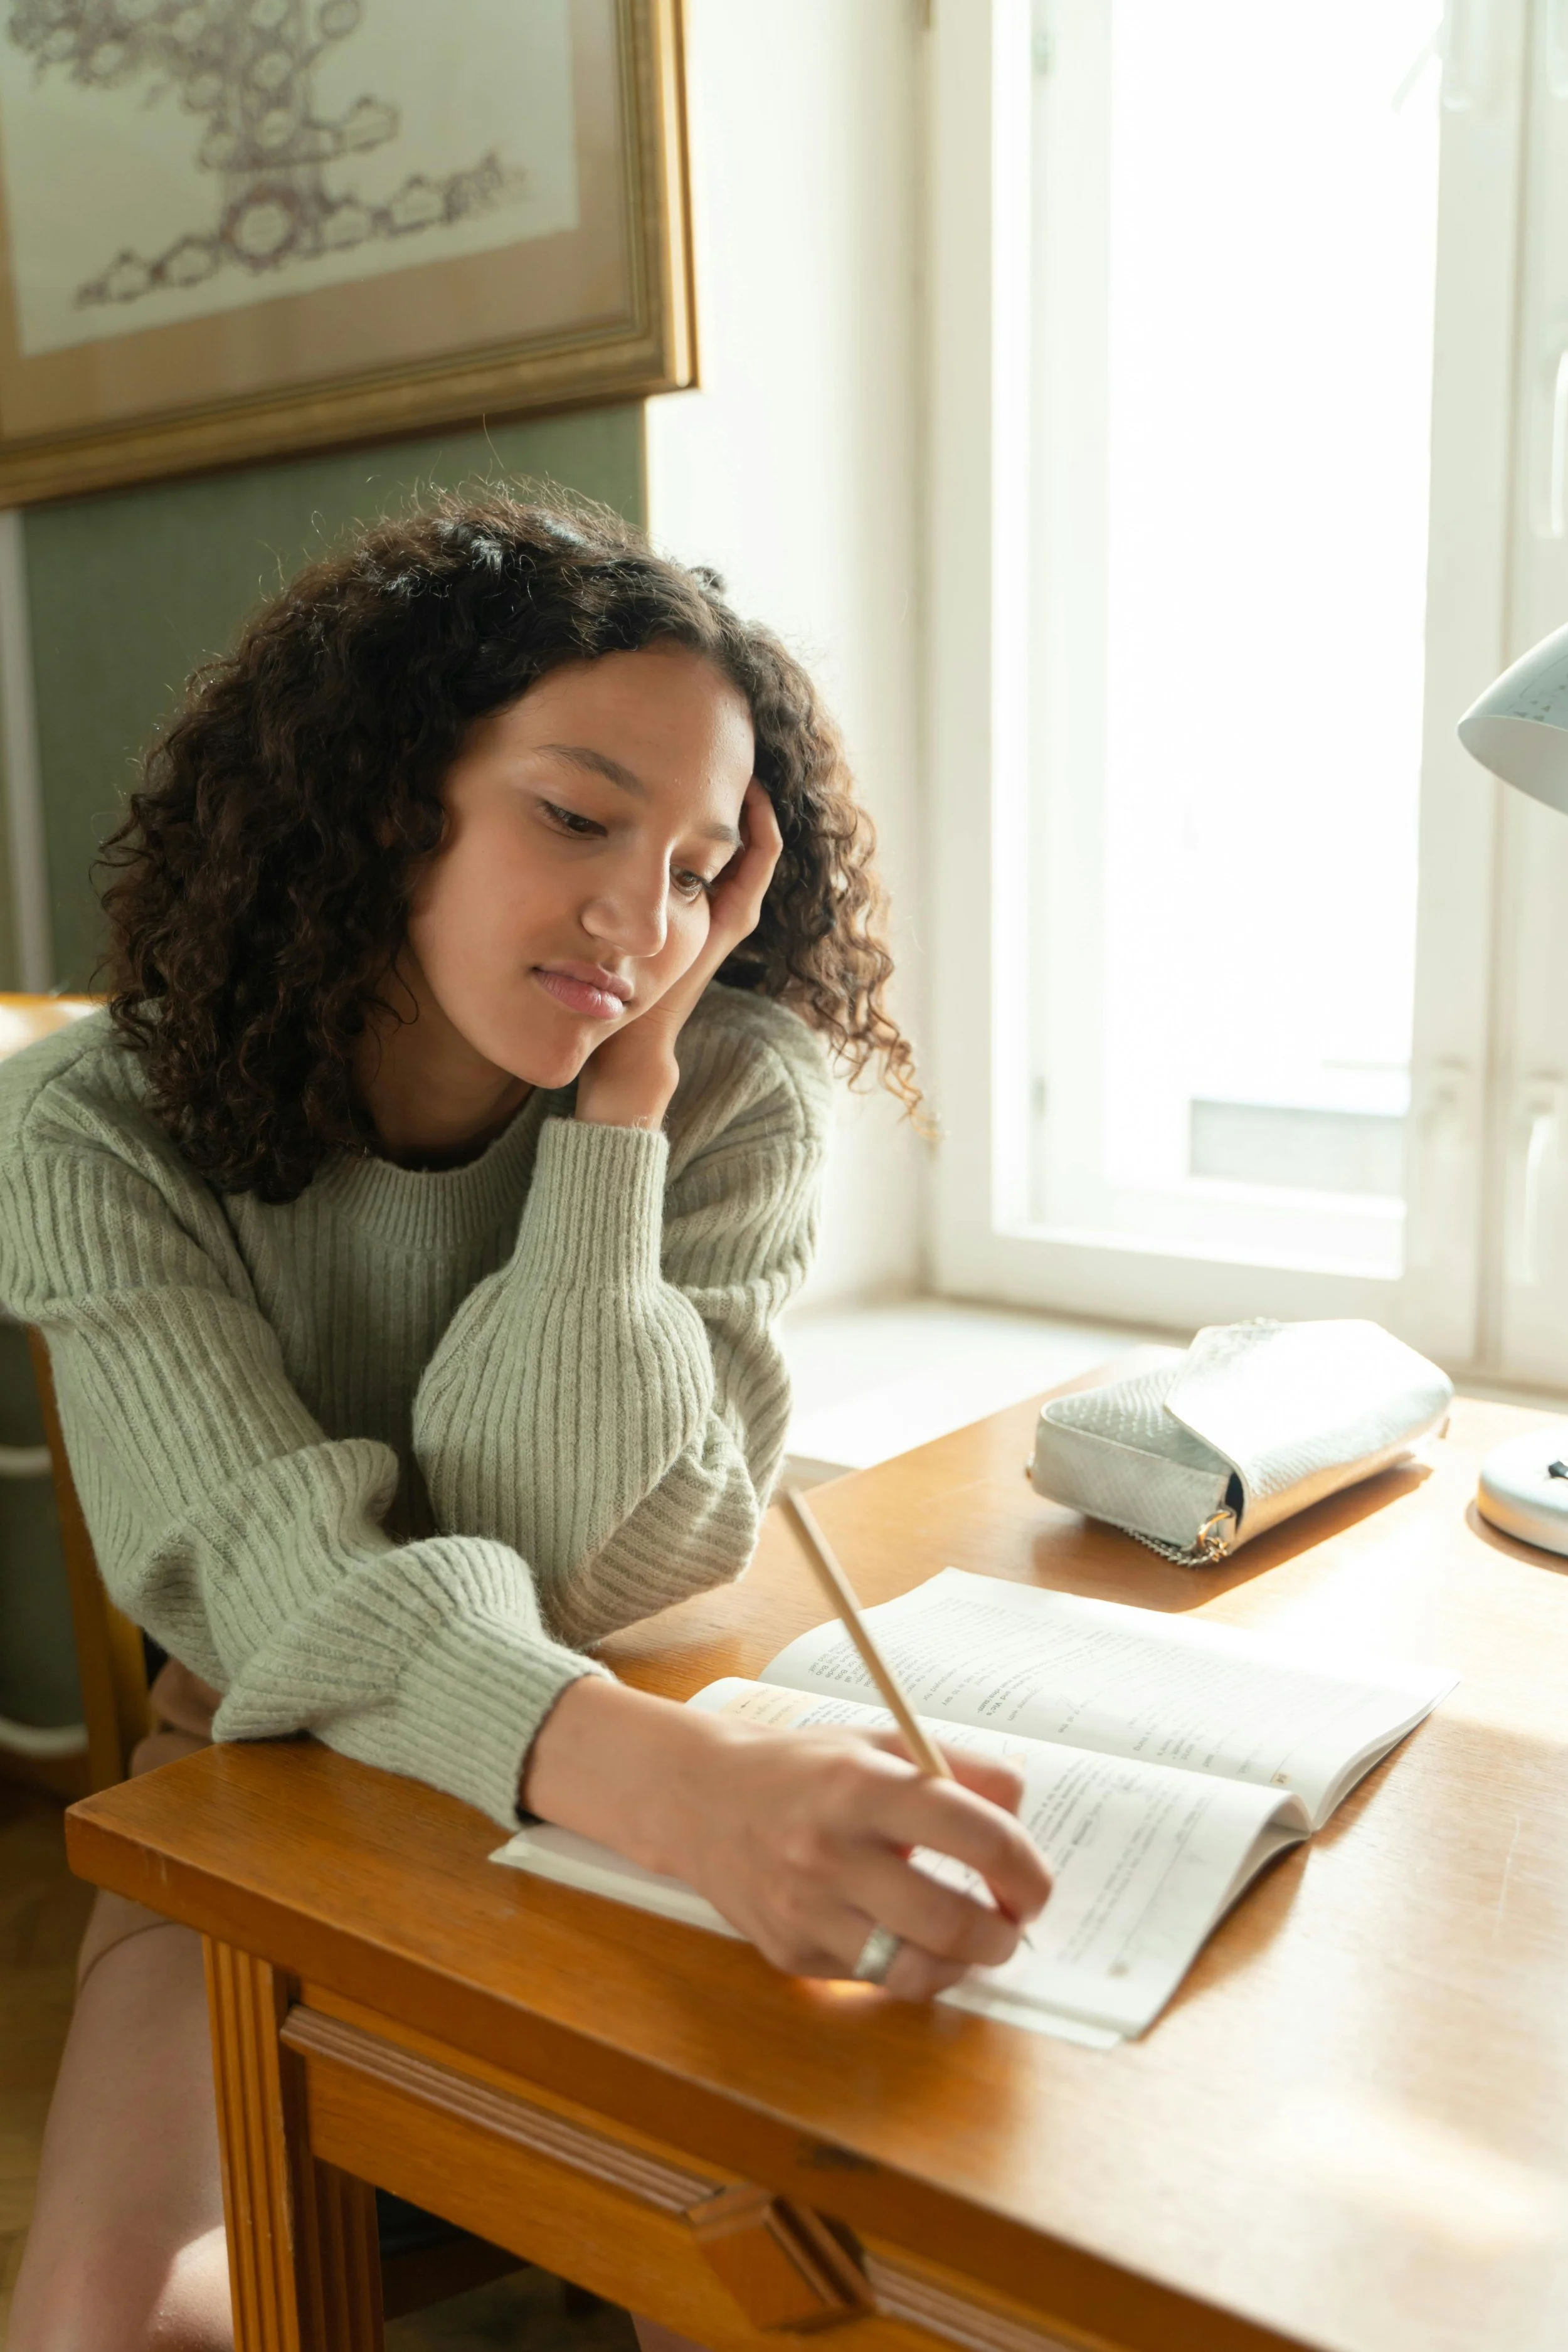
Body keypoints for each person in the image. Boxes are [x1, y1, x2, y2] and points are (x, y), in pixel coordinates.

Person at [1, 492, 1051, 2351]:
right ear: (380, 792)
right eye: (576, 818)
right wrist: (685, 1798)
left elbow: (573, 1548)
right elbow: (272, 1573)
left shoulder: (724, 1088)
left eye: (697, 867)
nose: (636, 922)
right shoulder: (93, 1123)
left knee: (822, 2292)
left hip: (645, 1727)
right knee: (109, 2323)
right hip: (271, 1765)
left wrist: (615, 1125)